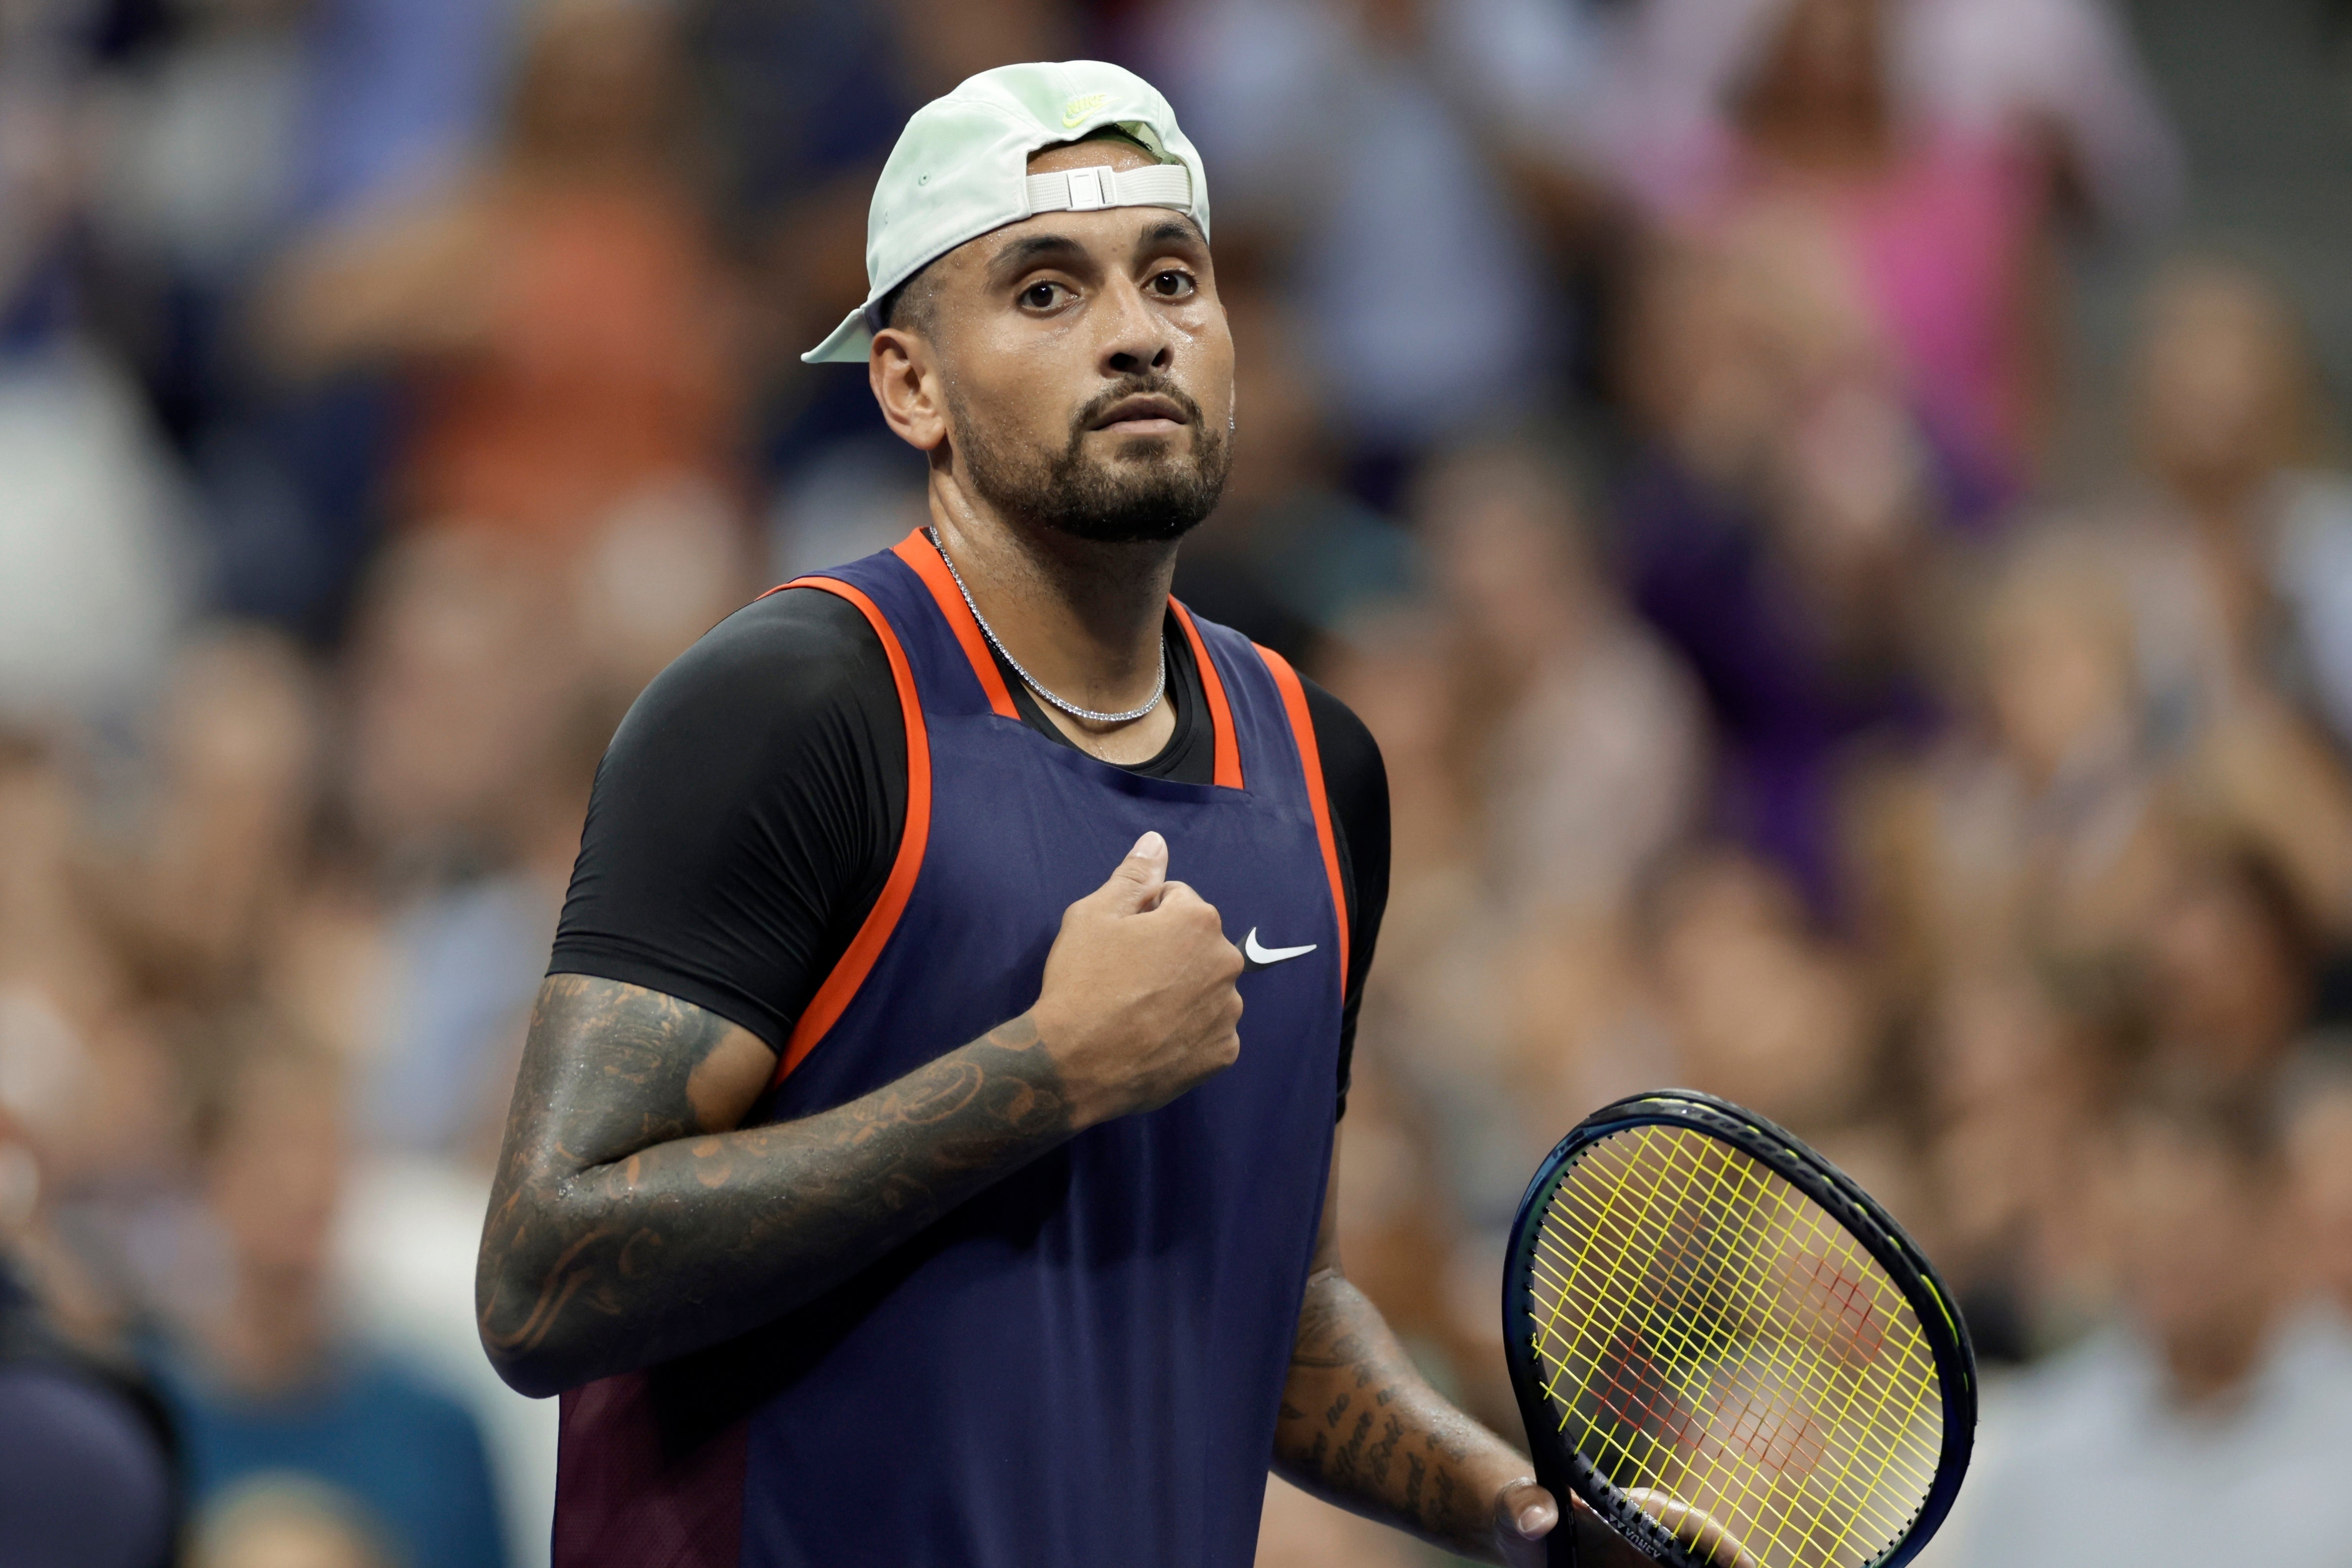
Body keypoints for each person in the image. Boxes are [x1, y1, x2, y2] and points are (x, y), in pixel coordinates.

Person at [476, 61, 1738, 1568]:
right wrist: (1041, 1072)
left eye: (1173, 276)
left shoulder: (1319, 764)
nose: (1137, 330)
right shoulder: (788, 707)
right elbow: (545, 1274)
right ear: (908, 385)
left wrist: (1523, 1510)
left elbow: (1274, 1300)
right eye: (1045, 291)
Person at [1956, 1091, 2352, 1568]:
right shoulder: (2035, 1449)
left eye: (2195, 1229)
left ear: (2271, 1214)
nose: (2167, 1261)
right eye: (2144, 1230)